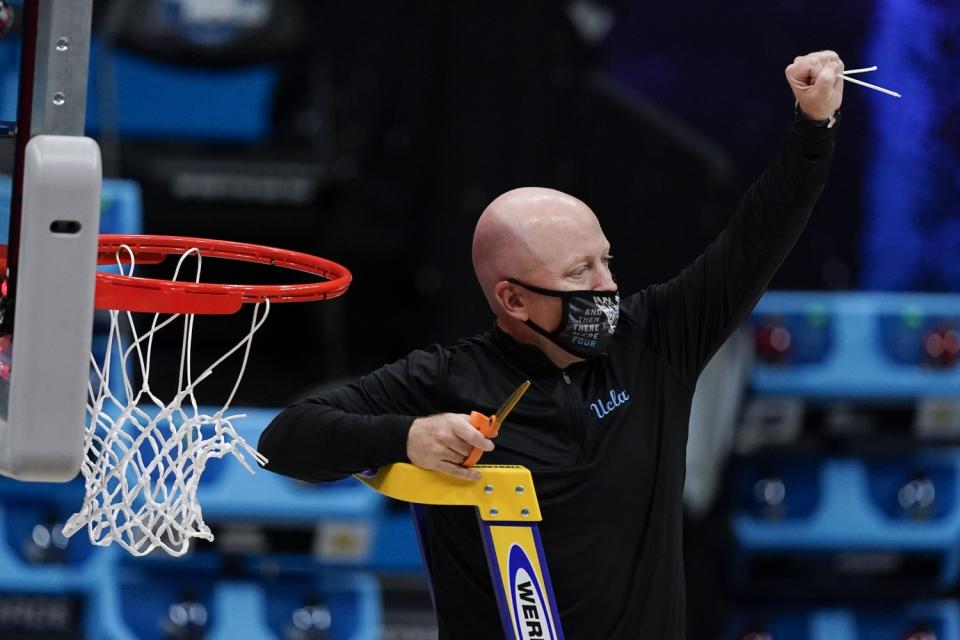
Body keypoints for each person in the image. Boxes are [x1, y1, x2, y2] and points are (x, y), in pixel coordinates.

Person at [258, 49, 844, 639]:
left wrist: (813, 126)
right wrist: (406, 436)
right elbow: (285, 441)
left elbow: (756, 239)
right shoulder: (447, 379)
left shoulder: (655, 340)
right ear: (513, 301)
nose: (606, 286)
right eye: (578, 274)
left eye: (605, 262)